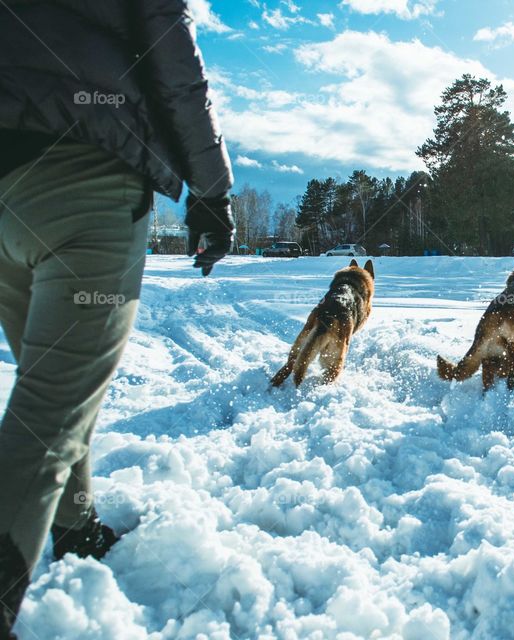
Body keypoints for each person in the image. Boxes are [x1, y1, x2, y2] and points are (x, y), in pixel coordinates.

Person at [0, 2, 235, 636]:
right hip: (84, 172)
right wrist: (212, 192)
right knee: (50, 407)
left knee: (46, 383)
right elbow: (174, 60)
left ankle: (75, 530)